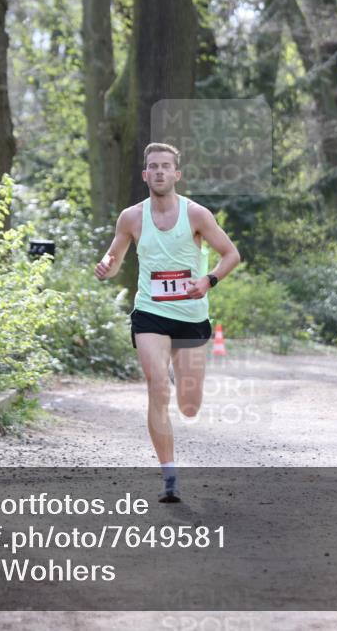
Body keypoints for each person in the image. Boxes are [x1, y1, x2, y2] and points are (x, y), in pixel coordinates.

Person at [95, 142, 240, 502]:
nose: (159, 172)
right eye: (153, 167)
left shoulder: (197, 215)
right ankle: (169, 475)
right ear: (145, 175)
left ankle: (179, 373)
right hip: (150, 313)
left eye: (166, 166)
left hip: (191, 317)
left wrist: (208, 281)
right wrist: (106, 267)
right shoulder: (131, 218)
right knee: (157, 387)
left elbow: (230, 254)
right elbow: (114, 258)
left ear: (177, 174)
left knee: (190, 405)